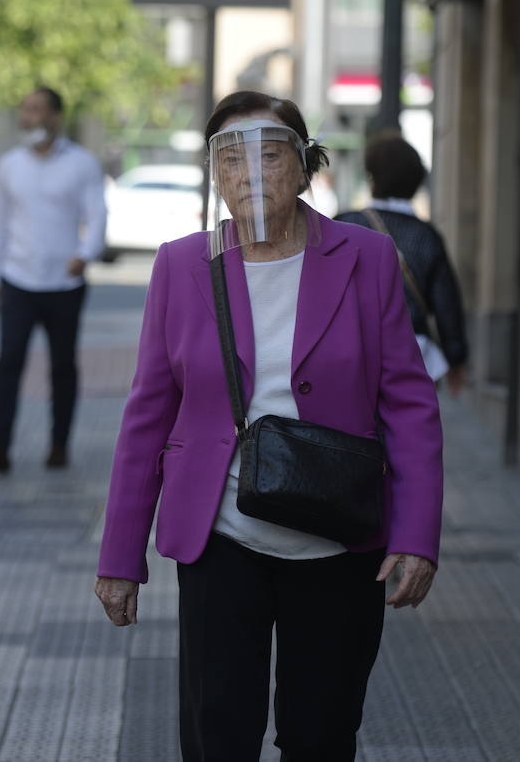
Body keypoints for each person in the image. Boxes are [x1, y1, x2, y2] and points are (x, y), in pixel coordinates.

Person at [95, 91, 444, 760]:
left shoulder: (366, 257)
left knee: (321, 735)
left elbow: (409, 401)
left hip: (340, 539)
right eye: (231, 157)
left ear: (306, 165)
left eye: (271, 153)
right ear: (215, 174)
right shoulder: (180, 264)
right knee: (218, 734)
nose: (251, 171)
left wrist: (417, 534)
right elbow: (147, 414)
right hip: (221, 534)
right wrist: (120, 556)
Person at [0, 86, 107, 472]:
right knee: (8, 361)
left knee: (62, 365)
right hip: (17, 278)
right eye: (24, 109)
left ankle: (58, 445)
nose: (27, 117)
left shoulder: (81, 163)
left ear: (55, 116)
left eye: (36, 110)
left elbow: (97, 214)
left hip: (65, 284)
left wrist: (85, 255)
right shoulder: (9, 165)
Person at [337, 132, 469, 395]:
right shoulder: (427, 235)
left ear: (371, 177)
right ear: (417, 181)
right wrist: (456, 359)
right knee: (411, 431)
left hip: (350, 353)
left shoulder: (343, 224)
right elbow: (447, 304)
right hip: (414, 356)